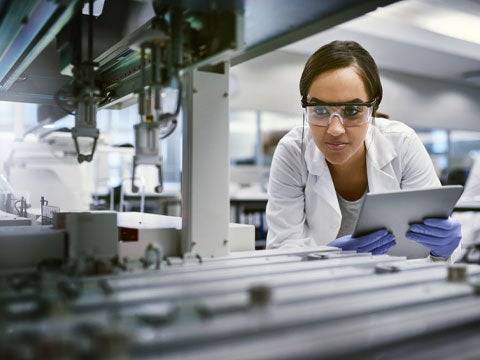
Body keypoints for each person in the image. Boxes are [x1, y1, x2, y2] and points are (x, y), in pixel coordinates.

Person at [266, 40, 461, 261]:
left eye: (352, 110)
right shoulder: (292, 152)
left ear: (373, 106)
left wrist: (442, 251)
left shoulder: (403, 143)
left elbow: (430, 256)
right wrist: (329, 255)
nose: (335, 129)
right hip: (319, 286)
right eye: (319, 109)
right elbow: (282, 252)